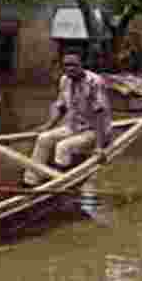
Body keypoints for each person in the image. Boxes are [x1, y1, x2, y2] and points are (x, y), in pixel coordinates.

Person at [24, 50, 113, 185]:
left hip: (94, 130)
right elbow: (61, 106)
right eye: (66, 65)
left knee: (63, 147)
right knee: (43, 138)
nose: (70, 68)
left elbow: (100, 114)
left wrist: (99, 146)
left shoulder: (94, 82)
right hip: (73, 126)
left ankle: (59, 183)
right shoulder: (64, 80)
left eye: (74, 65)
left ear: (82, 64)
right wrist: (48, 125)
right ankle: (31, 181)